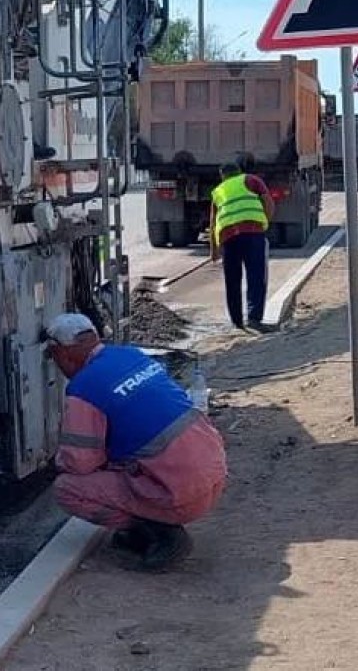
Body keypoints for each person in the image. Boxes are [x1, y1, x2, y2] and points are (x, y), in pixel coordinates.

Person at [42, 312, 227, 571]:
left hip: (182, 495)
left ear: (62, 353)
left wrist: (58, 460)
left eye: (54, 357)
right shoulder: (130, 355)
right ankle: (155, 522)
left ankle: (160, 533)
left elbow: (80, 464)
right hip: (214, 475)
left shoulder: (84, 388)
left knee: (68, 488)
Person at [210, 161, 275, 331]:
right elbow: (268, 203)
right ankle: (254, 319)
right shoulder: (252, 180)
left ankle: (237, 322)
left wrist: (214, 251)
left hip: (228, 238)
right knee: (256, 276)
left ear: (222, 176)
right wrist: (264, 223)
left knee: (232, 281)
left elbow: (213, 222)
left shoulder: (218, 191)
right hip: (253, 233)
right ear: (239, 172)